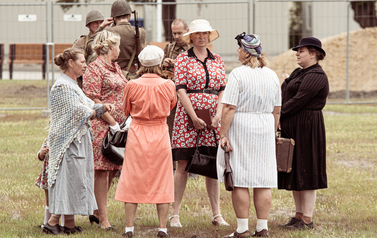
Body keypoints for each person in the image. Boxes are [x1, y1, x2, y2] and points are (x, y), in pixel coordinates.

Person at [43, 48, 115, 235]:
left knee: (74, 180)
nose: (85, 65)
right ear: (70, 63)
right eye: (82, 61)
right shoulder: (62, 86)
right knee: (67, 179)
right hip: (67, 141)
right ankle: (52, 222)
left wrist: (100, 106)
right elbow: (79, 111)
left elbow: (87, 103)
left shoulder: (73, 84)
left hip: (76, 139)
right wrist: (98, 111)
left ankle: (69, 224)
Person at [218, 33, 281, 238]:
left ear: (246, 52)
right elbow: (277, 109)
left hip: (242, 126)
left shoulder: (237, 74)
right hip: (265, 125)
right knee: (263, 179)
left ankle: (242, 229)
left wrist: (223, 134)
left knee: (241, 178)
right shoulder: (272, 75)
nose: (237, 51)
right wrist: (271, 132)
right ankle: (262, 227)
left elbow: (228, 107)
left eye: (239, 48)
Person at [170, 19, 229, 227]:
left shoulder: (217, 60)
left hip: (213, 115)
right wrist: (193, 116)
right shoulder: (183, 59)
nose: (202, 37)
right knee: (183, 165)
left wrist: (218, 114)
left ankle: (216, 214)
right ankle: (175, 213)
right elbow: (180, 89)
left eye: (205, 33)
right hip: (188, 116)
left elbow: (223, 89)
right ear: (191, 37)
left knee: (212, 164)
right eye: (198, 34)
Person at [114, 45, 177, 237]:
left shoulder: (132, 85)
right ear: (160, 63)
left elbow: (126, 109)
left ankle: (129, 227)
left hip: (138, 132)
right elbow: (172, 104)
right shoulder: (168, 85)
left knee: (132, 177)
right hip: (159, 131)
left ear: (141, 63)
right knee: (163, 178)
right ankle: (162, 227)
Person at [278, 37, 328, 230]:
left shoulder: (316, 75)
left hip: (308, 128)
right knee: (295, 169)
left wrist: (278, 113)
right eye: (297, 51)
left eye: (302, 51)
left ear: (314, 53)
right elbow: (284, 93)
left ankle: (307, 218)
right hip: (295, 126)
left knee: (307, 170)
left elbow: (299, 100)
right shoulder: (299, 72)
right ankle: (298, 215)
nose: (297, 53)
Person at [82, 30, 127, 230]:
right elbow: (93, 98)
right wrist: (111, 122)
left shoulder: (116, 67)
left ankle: (97, 210)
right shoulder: (95, 68)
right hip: (102, 125)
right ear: (109, 47)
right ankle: (103, 219)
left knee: (113, 167)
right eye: (117, 45)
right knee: (102, 170)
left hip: (118, 127)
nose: (119, 49)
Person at [161, 18, 189, 171]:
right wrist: (164, 63)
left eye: (180, 33)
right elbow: (160, 69)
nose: (177, 36)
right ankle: (171, 165)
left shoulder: (191, 48)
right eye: (174, 33)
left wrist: (176, 63)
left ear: (186, 31)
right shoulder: (169, 48)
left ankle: (189, 165)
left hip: (188, 96)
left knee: (187, 130)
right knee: (170, 128)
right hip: (171, 95)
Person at [106, 0, 146, 80]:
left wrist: (101, 27)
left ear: (114, 18)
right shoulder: (141, 32)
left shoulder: (109, 32)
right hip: (134, 75)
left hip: (114, 76)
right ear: (129, 16)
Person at [72, 10, 108, 88]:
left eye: (101, 22)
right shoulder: (81, 42)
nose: (99, 25)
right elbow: (73, 62)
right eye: (95, 23)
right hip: (86, 82)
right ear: (88, 25)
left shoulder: (107, 41)